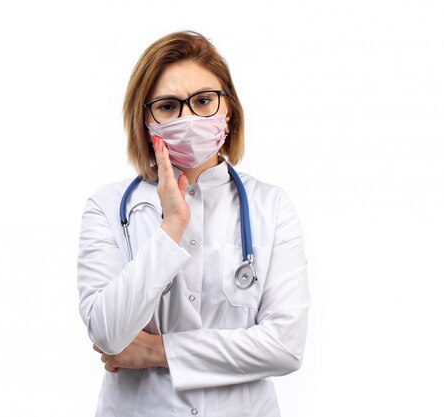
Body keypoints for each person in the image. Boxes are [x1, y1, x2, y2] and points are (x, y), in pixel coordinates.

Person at [77, 30, 311, 417]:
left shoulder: (271, 206)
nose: (188, 118)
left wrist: (156, 351)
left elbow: (285, 347)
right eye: (168, 107)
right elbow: (108, 333)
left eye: (203, 101)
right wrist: (171, 228)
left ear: (228, 110)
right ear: (145, 120)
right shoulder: (107, 207)